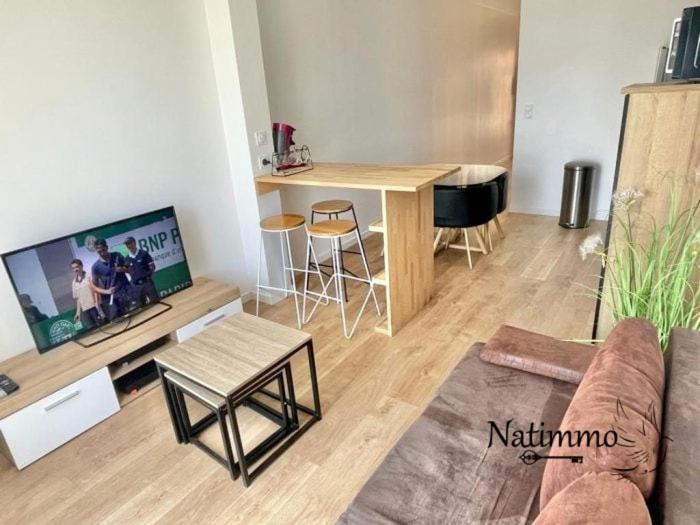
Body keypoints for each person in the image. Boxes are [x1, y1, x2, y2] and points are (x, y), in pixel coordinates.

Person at [91, 239, 130, 320]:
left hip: (126, 292)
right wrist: (107, 291)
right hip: (112, 299)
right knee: (119, 321)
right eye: (99, 252)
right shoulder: (95, 267)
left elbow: (130, 269)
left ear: (107, 247)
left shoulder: (117, 255)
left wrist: (122, 269)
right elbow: (94, 287)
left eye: (103, 250)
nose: (102, 253)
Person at [70, 259, 113, 329]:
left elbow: (97, 289)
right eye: (73, 268)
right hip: (86, 310)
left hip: (96, 307)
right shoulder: (74, 282)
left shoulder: (90, 275)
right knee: (93, 330)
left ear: (81, 266)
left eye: (77, 267)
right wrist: (78, 313)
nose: (75, 269)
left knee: (105, 327)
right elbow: (78, 299)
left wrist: (97, 304)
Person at [124, 237, 159, 305]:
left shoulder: (143, 253)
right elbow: (127, 271)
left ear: (134, 243)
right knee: (141, 307)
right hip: (136, 286)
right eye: (127, 244)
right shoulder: (127, 259)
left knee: (156, 303)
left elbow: (152, 266)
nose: (128, 246)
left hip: (147, 283)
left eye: (129, 243)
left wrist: (148, 276)